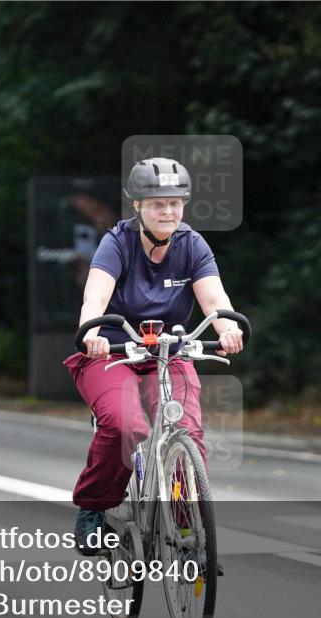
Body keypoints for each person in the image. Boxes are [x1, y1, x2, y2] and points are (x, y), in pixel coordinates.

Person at [64, 157, 243, 558]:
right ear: (138, 206)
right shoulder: (117, 242)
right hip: (111, 352)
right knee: (126, 425)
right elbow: (95, 295)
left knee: (189, 430)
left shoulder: (192, 244)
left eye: (175, 203)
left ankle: (187, 525)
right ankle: (93, 506)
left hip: (169, 352)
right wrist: (92, 332)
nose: (168, 212)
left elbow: (214, 299)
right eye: (157, 203)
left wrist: (226, 328)